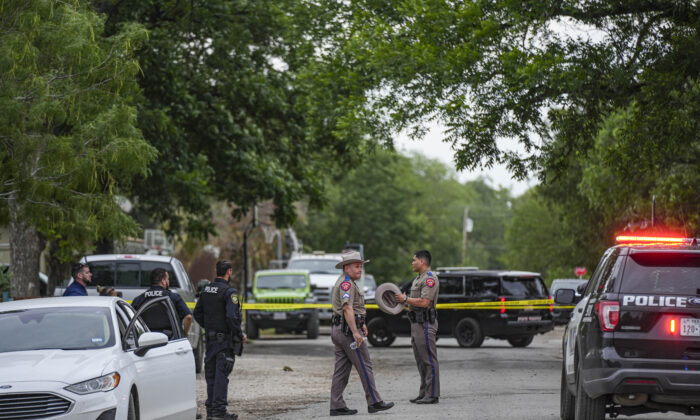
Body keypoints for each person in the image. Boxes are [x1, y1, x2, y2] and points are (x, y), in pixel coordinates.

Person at [330, 250, 394, 416]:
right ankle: (374, 402)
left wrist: (362, 324)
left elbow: (353, 308)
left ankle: (336, 405)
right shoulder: (347, 284)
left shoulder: (347, 282)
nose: (360, 269)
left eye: (360, 266)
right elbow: (347, 307)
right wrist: (355, 332)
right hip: (347, 331)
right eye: (357, 266)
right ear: (346, 268)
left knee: (341, 370)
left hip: (340, 329)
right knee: (365, 365)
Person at [193, 260, 247, 420]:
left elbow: (197, 313)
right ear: (229, 272)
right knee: (222, 374)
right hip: (224, 341)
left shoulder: (206, 290)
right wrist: (239, 334)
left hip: (210, 340)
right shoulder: (230, 292)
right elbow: (232, 316)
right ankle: (219, 412)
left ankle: (211, 411)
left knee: (211, 375)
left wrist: (209, 328)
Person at [395, 250, 440, 404]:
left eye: (414, 260)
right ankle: (424, 392)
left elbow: (425, 302)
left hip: (426, 323)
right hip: (416, 323)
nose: (412, 263)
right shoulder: (417, 279)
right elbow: (414, 302)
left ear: (422, 261)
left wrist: (406, 298)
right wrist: (405, 301)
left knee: (428, 359)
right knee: (420, 359)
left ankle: (432, 394)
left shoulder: (429, 279)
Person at [132, 268, 193, 336]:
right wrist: (184, 333)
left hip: (144, 338)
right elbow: (188, 317)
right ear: (163, 281)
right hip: (168, 339)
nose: (168, 282)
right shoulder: (173, 297)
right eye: (168, 279)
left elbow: (130, 319)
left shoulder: (139, 299)